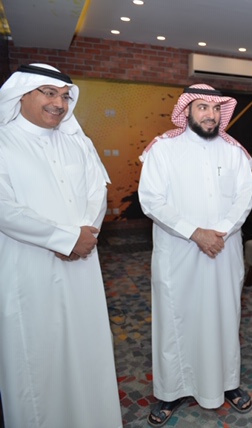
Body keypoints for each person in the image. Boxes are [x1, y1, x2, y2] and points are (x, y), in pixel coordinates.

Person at [0, 64, 121, 427]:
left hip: (82, 263)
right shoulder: (4, 142)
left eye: (66, 96)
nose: (59, 103)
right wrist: (65, 238)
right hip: (29, 267)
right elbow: (5, 208)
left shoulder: (78, 142)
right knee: (38, 354)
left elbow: (97, 191)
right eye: (49, 93)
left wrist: (85, 236)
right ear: (22, 94)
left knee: (86, 346)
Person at [138, 84, 252, 426]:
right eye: (203, 107)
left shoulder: (234, 152)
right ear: (187, 110)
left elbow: (244, 198)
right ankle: (171, 391)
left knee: (225, 317)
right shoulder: (163, 149)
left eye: (216, 109)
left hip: (223, 250)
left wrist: (220, 231)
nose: (210, 115)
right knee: (177, 319)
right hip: (179, 252)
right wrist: (195, 233)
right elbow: (151, 200)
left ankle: (228, 383)